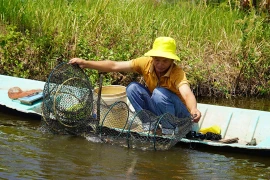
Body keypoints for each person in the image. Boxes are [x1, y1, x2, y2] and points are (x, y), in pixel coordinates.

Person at [69, 37, 201, 132]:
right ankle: (150, 124)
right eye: (157, 60)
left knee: (159, 93)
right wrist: (86, 63)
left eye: (165, 61)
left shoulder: (177, 73)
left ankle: (169, 128)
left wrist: (194, 109)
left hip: (179, 116)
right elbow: (114, 65)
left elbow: (186, 93)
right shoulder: (146, 63)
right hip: (160, 109)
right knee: (132, 88)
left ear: (172, 61)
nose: (160, 64)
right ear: (152, 58)